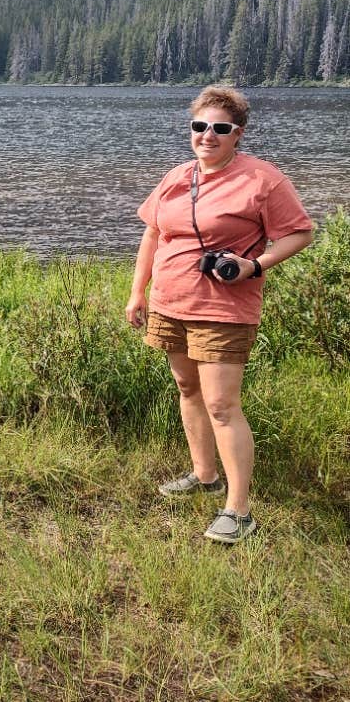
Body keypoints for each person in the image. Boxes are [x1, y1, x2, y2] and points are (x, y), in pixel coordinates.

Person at [126, 85, 313, 544]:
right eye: (199, 126)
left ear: (238, 134)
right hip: (171, 303)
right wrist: (138, 292)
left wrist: (254, 265)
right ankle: (204, 474)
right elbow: (153, 235)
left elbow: (300, 233)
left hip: (224, 309)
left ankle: (239, 510)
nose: (207, 135)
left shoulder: (263, 180)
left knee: (222, 406)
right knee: (188, 389)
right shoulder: (176, 176)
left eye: (220, 129)